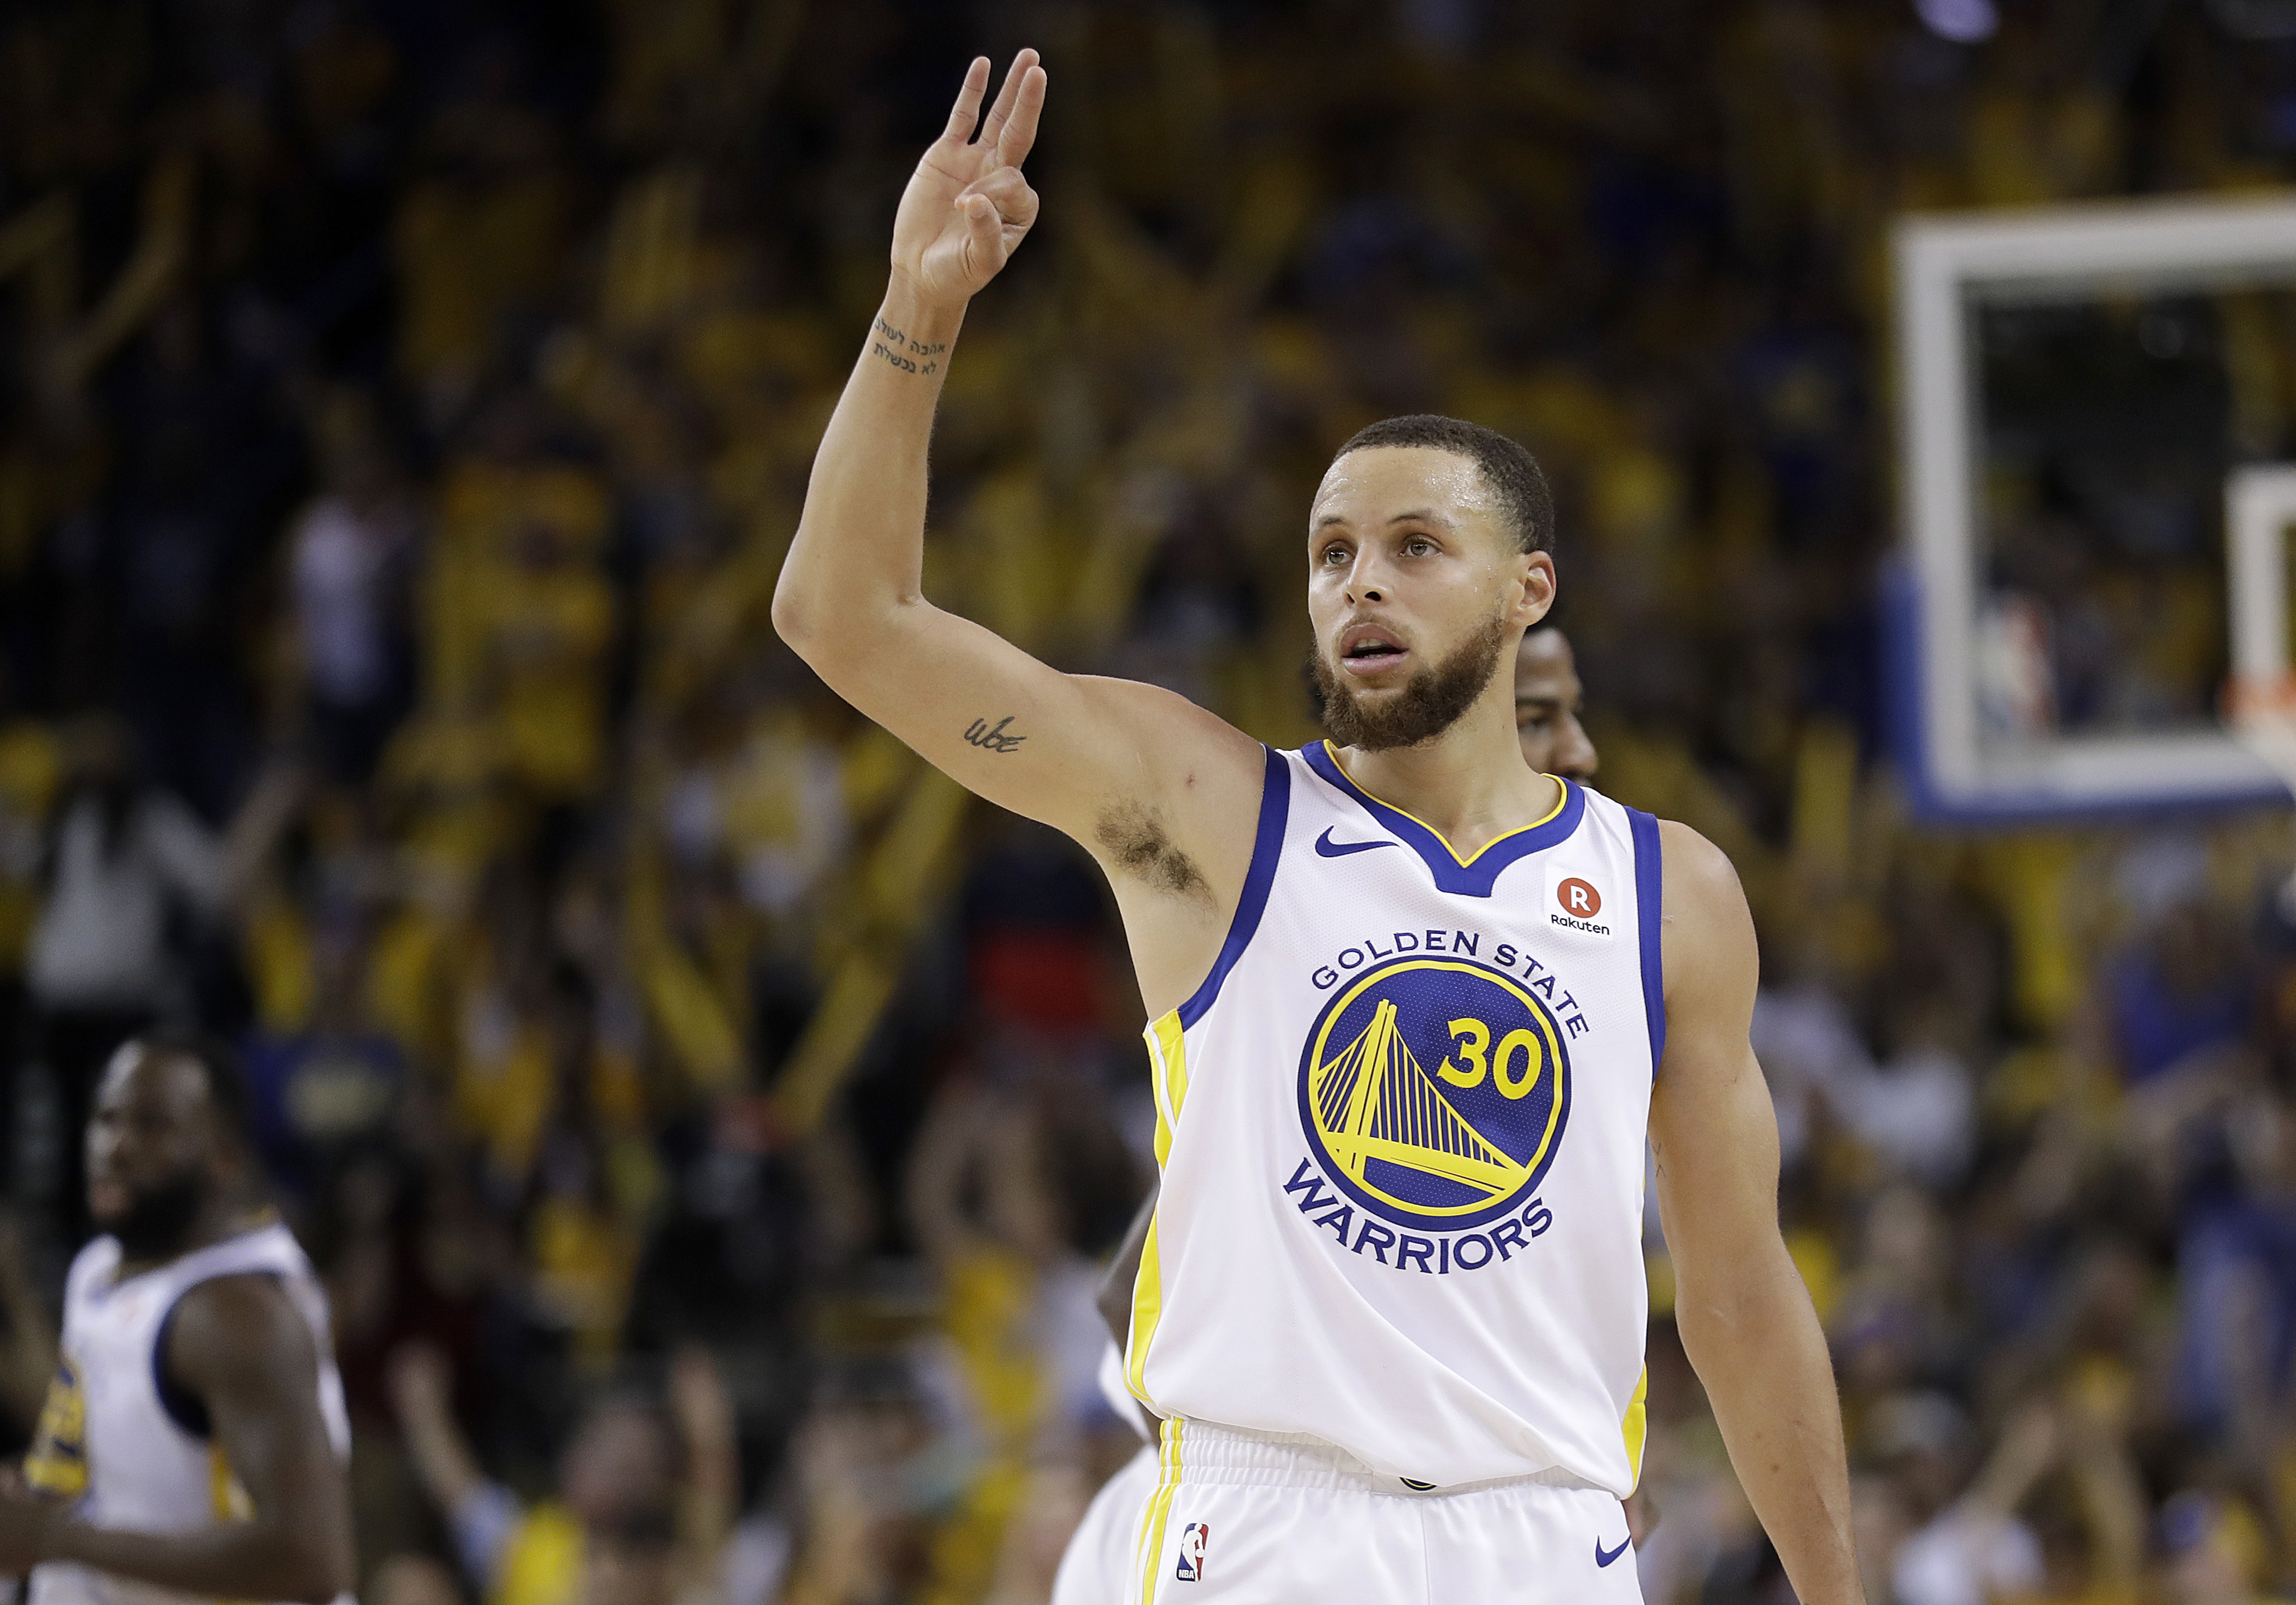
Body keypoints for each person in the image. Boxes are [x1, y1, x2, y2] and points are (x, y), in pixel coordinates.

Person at [771, 50, 1861, 1605]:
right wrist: (916, 313)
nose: (1359, 578)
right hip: (1267, 1524)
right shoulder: (1204, 807)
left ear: (1524, 589)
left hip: (1549, 1531)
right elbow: (844, 617)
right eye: (1329, 548)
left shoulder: (1666, 890)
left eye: (1415, 545)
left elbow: (1740, 1299)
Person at [1053, 623, 1607, 1605]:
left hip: (1509, 1517)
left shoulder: (1608, 907)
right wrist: (1266, 1478)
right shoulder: (1285, 880)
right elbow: (1122, 1286)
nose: (1577, 751)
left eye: (1570, 713)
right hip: (1250, 1515)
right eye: (1534, 717)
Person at [0, 1031, 355, 1605]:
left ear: (225, 1157)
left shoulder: (238, 1314)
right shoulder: (102, 1268)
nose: (115, 1146)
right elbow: (106, 1463)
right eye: (106, 1119)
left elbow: (311, 1559)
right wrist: (35, 1502)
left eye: (152, 1126)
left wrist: (53, 1537)